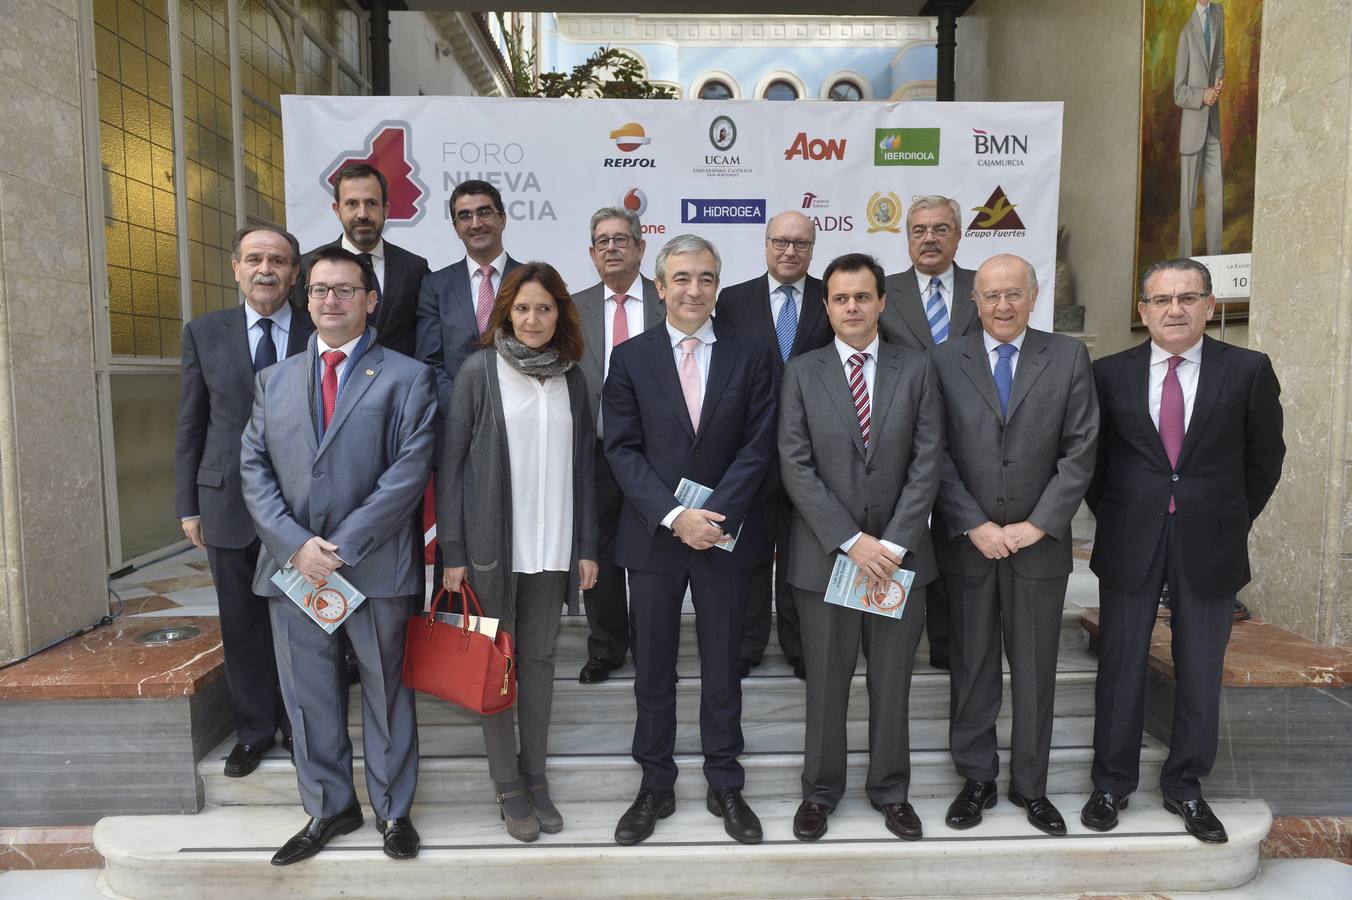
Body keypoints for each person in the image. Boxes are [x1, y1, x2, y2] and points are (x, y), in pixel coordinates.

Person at [240, 246, 436, 865]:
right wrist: (296, 546)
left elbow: (409, 474)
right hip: (294, 570)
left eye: (345, 289)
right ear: (306, 299)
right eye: (320, 289)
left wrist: (341, 547)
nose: (331, 300)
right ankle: (329, 807)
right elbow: (253, 469)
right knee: (308, 696)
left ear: (370, 300)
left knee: (385, 693)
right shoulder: (273, 380)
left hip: (374, 569)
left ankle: (393, 811)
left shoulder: (407, 377)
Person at [1083, 257, 1283, 843]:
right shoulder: (1108, 374)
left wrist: (1227, 520)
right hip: (1130, 538)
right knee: (1120, 664)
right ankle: (1111, 784)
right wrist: (1120, 516)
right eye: (1162, 300)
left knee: (1199, 667)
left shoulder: (1247, 370)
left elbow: (1264, 460)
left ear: (1209, 307)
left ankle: (1186, 786)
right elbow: (1094, 463)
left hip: (1211, 542)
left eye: (1188, 298)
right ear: (1143, 310)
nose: (1175, 309)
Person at [603, 234, 777, 846]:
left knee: (723, 665)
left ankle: (725, 780)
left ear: (718, 286)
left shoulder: (753, 354)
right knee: (653, 668)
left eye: (705, 278)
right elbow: (621, 449)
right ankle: (655, 783)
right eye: (681, 278)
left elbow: (759, 445)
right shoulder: (629, 358)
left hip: (726, 537)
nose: (693, 289)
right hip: (655, 538)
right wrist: (676, 516)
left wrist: (714, 517)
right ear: (659, 287)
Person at [930, 253, 1099, 837]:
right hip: (968, 545)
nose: (1002, 306)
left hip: (1039, 546)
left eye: (1013, 294)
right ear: (974, 301)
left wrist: (1039, 524)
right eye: (991, 295)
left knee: (1034, 671)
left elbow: (1081, 449)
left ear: (1033, 297)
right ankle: (976, 779)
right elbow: (933, 452)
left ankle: (1031, 786)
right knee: (972, 666)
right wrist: (973, 523)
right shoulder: (943, 360)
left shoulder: (1069, 356)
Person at [777, 252, 942, 842]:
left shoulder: (915, 367)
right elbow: (794, 464)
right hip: (827, 560)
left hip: (899, 561)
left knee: (891, 683)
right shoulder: (802, 372)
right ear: (826, 307)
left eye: (862, 296)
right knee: (826, 683)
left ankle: (891, 791)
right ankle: (820, 793)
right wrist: (853, 542)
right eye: (841, 298)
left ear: (881, 302)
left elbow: (928, 460)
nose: (852, 307)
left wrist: (891, 545)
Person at [437, 263, 600, 842]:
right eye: (523, 308)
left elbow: (586, 468)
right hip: (490, 553)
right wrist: (452, 550)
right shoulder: (480, 372)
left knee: (538, 664)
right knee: (494, 667)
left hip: (552, 551)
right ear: (505, 312)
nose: (533, 319)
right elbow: (450, 467)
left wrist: (586, 546)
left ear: (561, 314)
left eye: (544, 308)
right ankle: (507, 785)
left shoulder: (572, 379)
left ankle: (536, 776)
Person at [174, 225, 312, 778]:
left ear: (295, 273)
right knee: (240, 622)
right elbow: (192, 422)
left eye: (277, 261)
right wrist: (188, 504)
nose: (265, 270)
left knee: (303, 622)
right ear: (236, 268)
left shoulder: (318, 328)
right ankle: (254, 730)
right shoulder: (204, 333)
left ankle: (301, 726)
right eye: (254, 259)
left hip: (301, 507)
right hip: (226, 502)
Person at [716, 210, 833, 680]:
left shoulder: (831, 296)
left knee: (803, 553)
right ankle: (747, 645)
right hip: (750, 448)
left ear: (812, 249)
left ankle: (800, 645)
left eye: (800, 243)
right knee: (749, 553)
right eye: (781, 241)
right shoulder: (732, 300)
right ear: (765, 245)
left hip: (815, 451)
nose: (789, 251)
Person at [878, 195, 981, 671]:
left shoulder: (985, 287)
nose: (929, 238)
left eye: (940, 229)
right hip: (902, 444)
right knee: (908, 538)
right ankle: (894, 643)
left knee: (958, 545)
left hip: (973, 441)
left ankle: (947, 646)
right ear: (907, 238)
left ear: (958, 235)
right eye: (919, 230)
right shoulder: (882, 292)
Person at [571, 207, 664, 685]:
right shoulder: (571, 308)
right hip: (596, 450)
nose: (611, 248)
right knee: (599, 551)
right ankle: (606, 647)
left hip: (657, 453)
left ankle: (653, 647)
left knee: (655, 552)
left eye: (621, 239)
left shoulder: (668, 301)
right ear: (591, 253)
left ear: (641, 248)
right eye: (602, 241)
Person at [293, 162, 430, 358]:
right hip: (331, 374)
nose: (363, 214)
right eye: (352, 203)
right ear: (337, 210)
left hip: (399, 376)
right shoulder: (307, 267)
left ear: (386, 209)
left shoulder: (415, 269)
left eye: (371, 203)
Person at [416, 179, 524, 412]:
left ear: (502, 219)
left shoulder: (531, 281)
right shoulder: (435, 286)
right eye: (465, 216)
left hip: (522, 412)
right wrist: (462, 410)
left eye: (484, 212)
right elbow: (429, 363)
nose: (476, 224)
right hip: (456, 418)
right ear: (456, 228)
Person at [1174, 0, 1225, 256]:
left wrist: (1218, 79)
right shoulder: (1186, 33)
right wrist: (1202, 95)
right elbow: (1178, 93)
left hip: (1213, 127)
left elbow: (1220, 59)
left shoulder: (1218, 13)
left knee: (1216, 196)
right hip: (1192, 131)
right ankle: (1184, 259)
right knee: (1188, 203)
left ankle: (1216, 259)